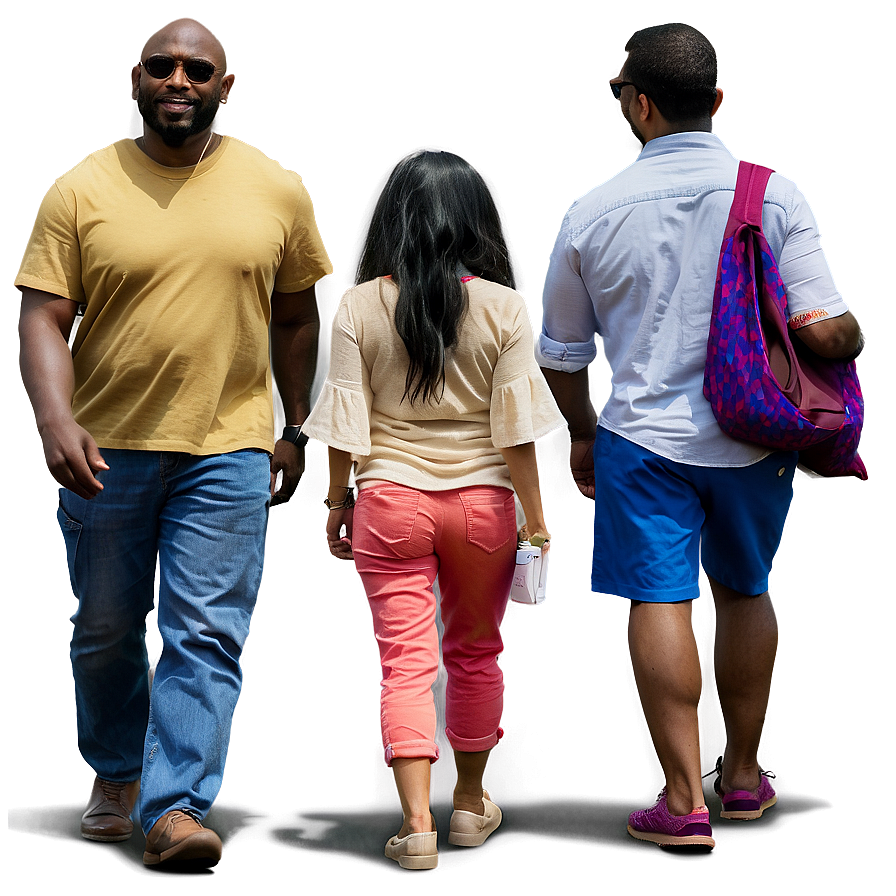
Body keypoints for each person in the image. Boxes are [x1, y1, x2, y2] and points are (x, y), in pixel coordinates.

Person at [537, 23, 863, 849]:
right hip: (754, 436)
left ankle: (682, 802)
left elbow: (563, 354)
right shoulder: (778, 196)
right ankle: (746, 782)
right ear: (716, 102)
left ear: (639, 105)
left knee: (661, 598)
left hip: (640, 438)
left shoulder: (589, 209)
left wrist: (580, 435)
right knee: (746, 593)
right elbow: (825, 330)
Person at [16, 18, 331, 867]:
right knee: (103, 628)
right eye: (163, 65)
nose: (179, 79)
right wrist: (54, 418)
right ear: (136, 77)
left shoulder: (277, 189)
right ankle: (116, 773)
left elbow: (299, 315)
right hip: (105, 452)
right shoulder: (81, 189)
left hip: (228, 452)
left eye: (198, 68)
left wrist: (291, 428)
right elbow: (42, 314)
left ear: (226, 86)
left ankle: (173, 810)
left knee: (207, 633)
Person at [302, 150, 564, 870]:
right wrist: (537, 524)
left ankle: (416, 825)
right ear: (472, 218)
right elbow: (516, 435)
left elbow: (346, 425)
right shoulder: (506, 307)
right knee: (476, 653)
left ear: (400, 216)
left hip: (387, 503)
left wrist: (335, 505)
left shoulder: (359, 305)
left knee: (404, 666)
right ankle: (471, 809)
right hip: (484, 506)